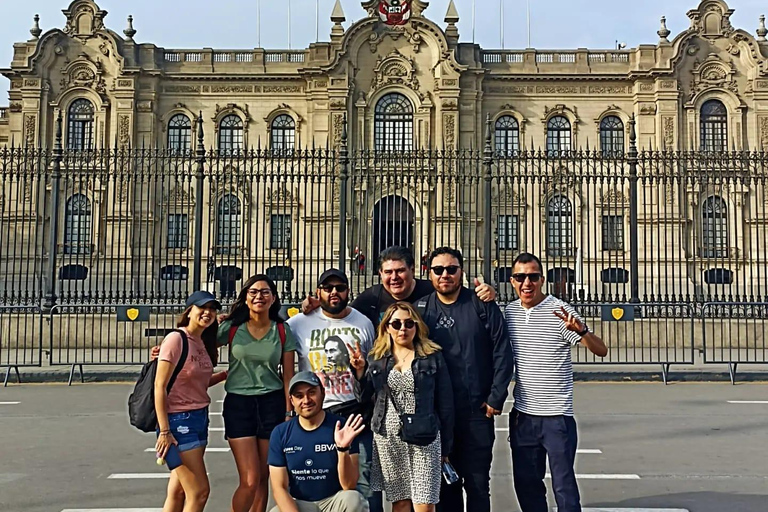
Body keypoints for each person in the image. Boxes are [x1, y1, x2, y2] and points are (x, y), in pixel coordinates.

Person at [504, 253, 608, 512]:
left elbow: (601, 350)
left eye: (533, 277)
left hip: (556, 416)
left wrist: (582, 332)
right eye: (520, 277)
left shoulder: (560, 311)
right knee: (526, 483)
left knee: (563, 484)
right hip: (523, 415)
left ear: (542, 279)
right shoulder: (510, 312)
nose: (527, 283)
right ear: (512, 281)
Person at [418, 247, 514, 512]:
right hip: (439, 414)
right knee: (446, 485)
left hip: (476, 411)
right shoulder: (422, 310)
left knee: (477, 484)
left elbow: (502, 351)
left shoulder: (481, 304)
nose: (445, 275)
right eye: (438, 270)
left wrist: (496, 398)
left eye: (452, 269)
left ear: (461, 271)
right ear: (430, 273)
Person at [286, 269, 378, 511]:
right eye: (328, 288)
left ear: (349, 291)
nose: (334, 292)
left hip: (355, 413)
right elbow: (269, 325)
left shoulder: (363, 323)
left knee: (363, 487)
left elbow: (371, 374)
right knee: (321, 487)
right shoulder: (299, 323)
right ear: (318, 292)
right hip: (316, 415)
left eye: (340, 287)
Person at [350, 302, 454, 512]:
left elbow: (446, 403)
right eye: (396, 323)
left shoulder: (431, 356)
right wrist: (360, 372)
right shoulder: (377, 359)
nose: (402, 329)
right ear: (386, 327)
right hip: (388, 437)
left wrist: (447, 447)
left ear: (417, 326)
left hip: (425, 436)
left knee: (425, 504)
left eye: (409, 323)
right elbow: (364, 398)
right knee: (400, 502)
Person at [219, 275, 298, 512]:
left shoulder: (282, 330)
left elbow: (287, 377)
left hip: (271, 403)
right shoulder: (231, 329)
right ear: (245, 297)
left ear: (274, 298)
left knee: (264, 477)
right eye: (253, 292)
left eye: (265, 292)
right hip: (238, 404)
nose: (259, 297)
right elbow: (196, 345)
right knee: (250, 479)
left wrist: (288, 411)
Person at [302, 246, 497, 329]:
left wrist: (486, 292)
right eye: (388, 272)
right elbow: (343, 316)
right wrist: (321, 304)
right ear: (380, 274)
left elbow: (458, 297)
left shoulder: (432, 291)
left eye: (400, 271)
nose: (394, 278)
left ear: (413, 270)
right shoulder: (371, 297)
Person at [154, 291, 223, 512]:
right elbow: (160, 386)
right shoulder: (176, 339)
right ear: (189, 311)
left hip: (199, 417)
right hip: (178, 422)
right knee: (199, 492)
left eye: (212, 309)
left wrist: (223, 376)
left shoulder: (202, 342)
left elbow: (195, 383)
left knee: (179, 491)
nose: (208, 313)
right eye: (202, 307)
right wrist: (165, 431)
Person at [268, 371, 368, 512]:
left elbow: (349, 485)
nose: (306, 400)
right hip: (301, 504)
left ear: (322, 392)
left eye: (312, 392)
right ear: (291, 401)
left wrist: (342, 449)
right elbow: (279, 488)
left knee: (353, 499)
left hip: (333, 501)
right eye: (299, 396)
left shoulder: (342, 427)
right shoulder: (280, 433)